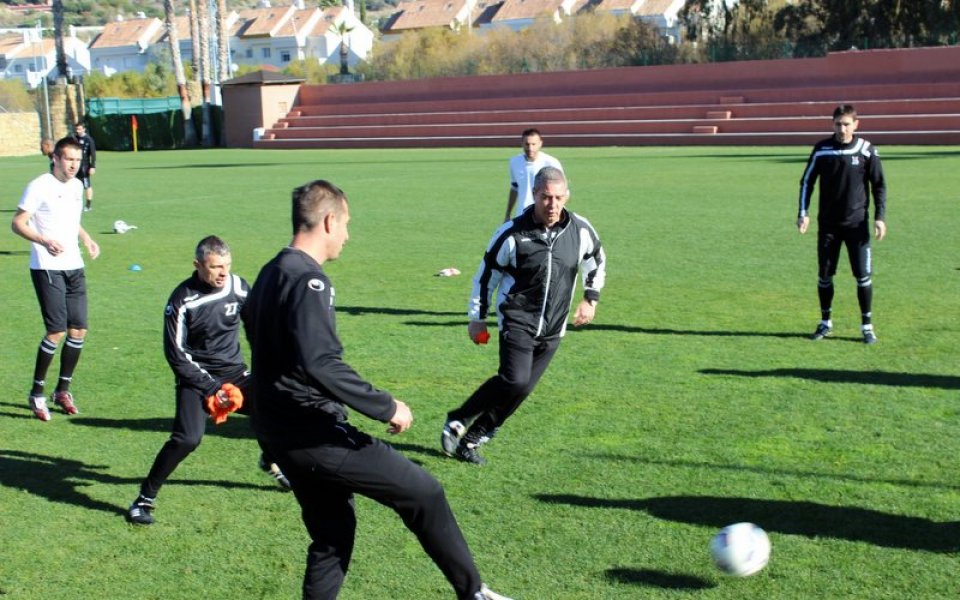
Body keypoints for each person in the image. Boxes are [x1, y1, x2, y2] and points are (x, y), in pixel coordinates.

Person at [243, 180, 511, 600]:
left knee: (333, 536)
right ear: (329, 220)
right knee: (423, 492)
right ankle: (474, 592)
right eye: (346, 223)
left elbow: (262, 341)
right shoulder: (310, 281)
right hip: (313, 433)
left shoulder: (269, 271)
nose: (348, 234)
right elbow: (320, 362)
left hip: (277, 431)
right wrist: (386, 406)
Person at [443, 166, 606, 465]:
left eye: (558, 197)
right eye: (546, 197)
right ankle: (459, 416)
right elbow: (485, 276)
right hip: (517, 319)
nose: (552, 204)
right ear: (535, 195)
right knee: (515, 380)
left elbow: (595, 259)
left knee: (521, 390)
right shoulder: (511, 233)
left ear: (567, 196)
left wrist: (590, 298)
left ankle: (471, 439)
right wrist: (476, 317)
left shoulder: (581, 230)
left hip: (554, 328)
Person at [126, 236, 290, 526]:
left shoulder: (238, 286)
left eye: (227, 265)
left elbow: (254, 327)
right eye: (215, 267)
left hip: (236, 374)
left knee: (276, 407)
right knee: (187, 439)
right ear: (198, 265)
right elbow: (175, 355)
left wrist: (265, 366)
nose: (223, 273)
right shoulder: (182, 300)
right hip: (197, 378)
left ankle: (270, 459)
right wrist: (213, 389)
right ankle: (144, 499)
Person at [11, 136, 100, 422]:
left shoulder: (76, 186)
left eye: (78, 160)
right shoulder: (39, 186)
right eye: (69, 159)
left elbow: (72, 221)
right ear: (56, 159)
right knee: (56, 331)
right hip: (47, 266)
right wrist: (43, 240)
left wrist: (87, 238)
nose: (74, 165)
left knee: (78, 330)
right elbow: (17, 223)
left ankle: (62, 390)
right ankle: (37, 392)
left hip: (74, 265)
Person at [797, 104, 887, 344]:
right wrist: (803, 212)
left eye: (847, 124)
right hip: (828, 225)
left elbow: (879, 185)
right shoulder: (822, 149)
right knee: (825, 275)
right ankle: (825, 322)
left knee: (863, 276)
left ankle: (867, 326)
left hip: (857, 226)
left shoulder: (866, 150)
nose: (842, 129)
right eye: (838, 124)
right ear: (832, 124)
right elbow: (806, 182)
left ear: (856, 125)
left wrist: (880, 217)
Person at [504, 128, 563, 221]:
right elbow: (514, 187)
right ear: (522, 143)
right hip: (522, 214)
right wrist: (508, 214)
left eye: (533, 144)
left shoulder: (552, 163)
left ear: (540, 143)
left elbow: (562, 191)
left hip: (545, 214)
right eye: (527, 144)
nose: (530, 148)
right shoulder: (514, 162)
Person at [72, 121, 96, 212]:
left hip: (84, 166)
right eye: (76, 129)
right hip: (75, 165)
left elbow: (93, 154)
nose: (77, 131)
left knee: (87, 185)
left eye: (79, 129)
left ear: (84, 129)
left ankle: (88, 205)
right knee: (73, 183)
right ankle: (75, 203)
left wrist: (93, 166)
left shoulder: (89, 140)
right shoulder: (74, 139)